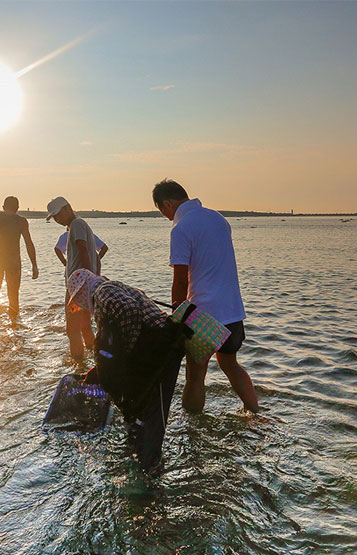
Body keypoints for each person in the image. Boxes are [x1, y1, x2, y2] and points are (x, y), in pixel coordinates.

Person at [152, 179, 259, 413]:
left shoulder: (181, 228)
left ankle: (192, 431)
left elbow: (180, 280)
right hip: (232, 311)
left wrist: (176, 318)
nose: (167, 218)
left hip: (204, 315)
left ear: (167, 204)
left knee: (195, 376)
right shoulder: (218, 219)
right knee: (230, 365)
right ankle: (256, 413)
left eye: (164, 212)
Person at [67, 268, 186, 470]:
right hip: (160, 345)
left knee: (154, 411)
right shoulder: (113, 287)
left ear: (82, 292)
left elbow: (128, 311)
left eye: (78, 299)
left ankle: (149, 469)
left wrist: (126, 353)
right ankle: (141, 454)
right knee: (144, 406)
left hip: (161, 348)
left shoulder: (101, 292)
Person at [46, 196, 99, 358]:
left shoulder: (76, 224)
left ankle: (78, 365)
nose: (57, 219)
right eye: (54, 217)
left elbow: (83, 249)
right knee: (84, 326)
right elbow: (96, 256)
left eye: (58, 215)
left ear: (68, 208)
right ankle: (97, 359)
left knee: (72, 329)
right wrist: (94, 278)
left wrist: (86, 279)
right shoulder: (80, 225)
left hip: (78, 286)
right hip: (86, 284)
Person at [0, 196, 39, 317]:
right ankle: (14, 324)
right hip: (13, 262)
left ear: (3, 207)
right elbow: (29, 243)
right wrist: (34, 265)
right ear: (17, 208)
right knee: (13, 293)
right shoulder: (21, 221)